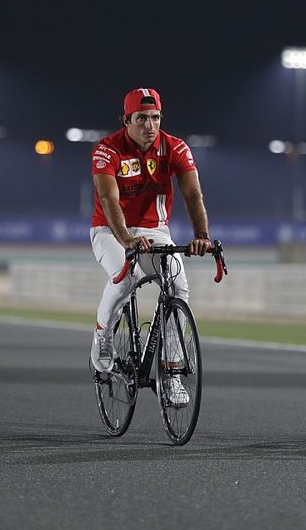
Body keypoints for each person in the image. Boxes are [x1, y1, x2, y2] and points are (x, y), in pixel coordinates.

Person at [89, 88, 211, 406]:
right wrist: (127, 241)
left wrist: (202, 234)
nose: (149, 125)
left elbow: (193, 194)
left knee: (178, 286)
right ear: (126, 120)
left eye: (155, 117)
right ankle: (102, 337)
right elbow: (108, 198)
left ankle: (171, 373)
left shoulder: (175, 148)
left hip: (154, 230)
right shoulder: (107, 149)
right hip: (109, 230)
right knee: (126, 275)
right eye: (141, 118)